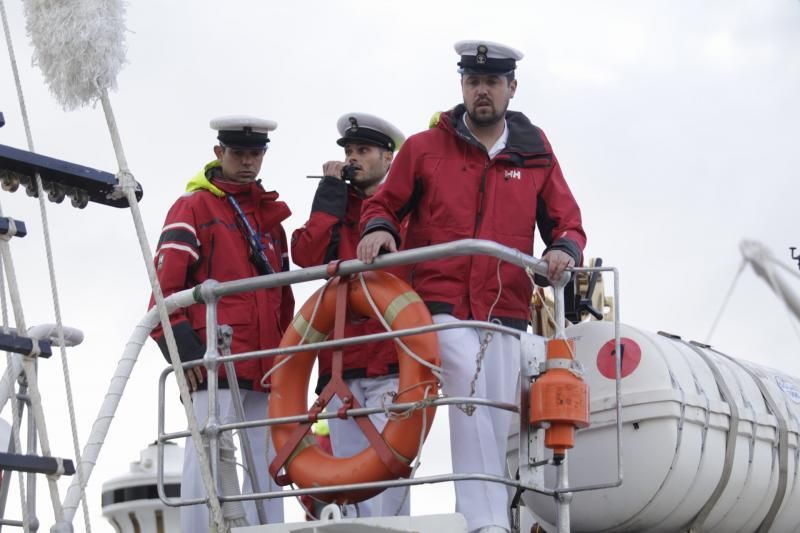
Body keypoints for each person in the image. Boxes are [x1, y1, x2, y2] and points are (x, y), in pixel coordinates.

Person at [357, 41, 586, 533]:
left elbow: (566, 220)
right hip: (437, 304)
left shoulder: (536, 153)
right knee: (472, 392)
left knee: (497, 412)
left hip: (504, 308)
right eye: (472, 82)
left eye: (491, 83)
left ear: (511, 88)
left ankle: (494, 514)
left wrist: (565, 247)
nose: (481, 91)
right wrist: (379, 227)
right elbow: (383, 204)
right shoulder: (423, 148)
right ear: (462, 86)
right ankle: (486, 522)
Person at [149, 116, 293, 530]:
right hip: (212, 363)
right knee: (207, 462)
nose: (247, 162)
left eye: (255, 154)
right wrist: (189, 357)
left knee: (269, 467)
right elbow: (162, 295)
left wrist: (288, 360)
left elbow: (284, 298)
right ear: (219, 154)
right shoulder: (192, 207)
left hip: (266, 365)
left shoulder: (271, 222)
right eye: (238, 154)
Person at [291, 112, 410, 517]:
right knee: (350, 484)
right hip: (341, 365)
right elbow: (306, 255)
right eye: (349, 151)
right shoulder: (336, 207)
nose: (354, 158)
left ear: (389, 158)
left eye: (364, 150)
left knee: (388, 481)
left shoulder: (407, 209)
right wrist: (328, 193)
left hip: (393, 362)